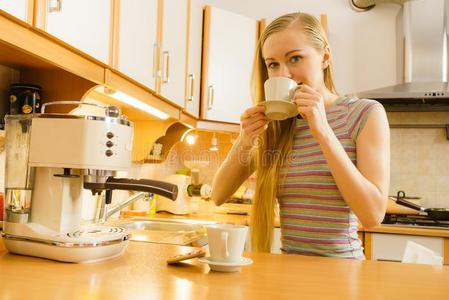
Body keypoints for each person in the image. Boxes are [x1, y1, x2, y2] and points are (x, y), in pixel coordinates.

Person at [211, 12, 390, 259]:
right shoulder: (276, 124)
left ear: (325, 57)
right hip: (288, 274)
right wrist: (245, 140)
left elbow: (372, 216)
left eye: (295, 58)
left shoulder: (364, 113)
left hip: (343, 272)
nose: (283, 74)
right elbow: (218, 195)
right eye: (273, 64)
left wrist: (323, 131)